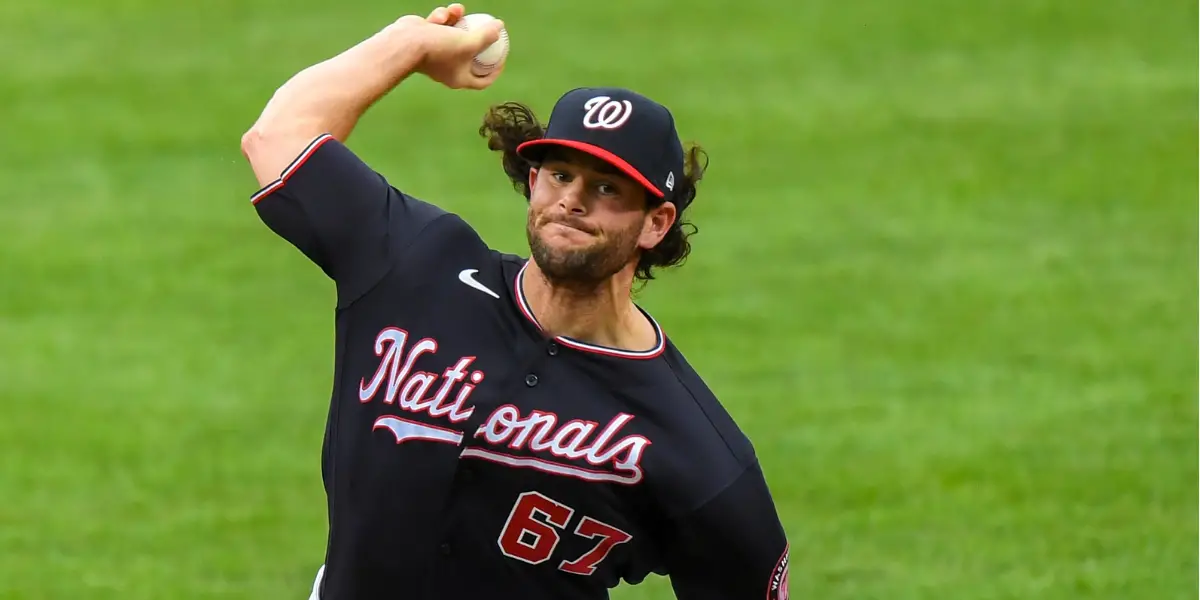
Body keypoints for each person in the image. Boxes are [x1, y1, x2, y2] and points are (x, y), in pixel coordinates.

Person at [240, 4, 790, 599]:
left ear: (657, 223)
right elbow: (278, 135)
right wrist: (410, 44)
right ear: (533, 183)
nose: (572, 200)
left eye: (606, 188)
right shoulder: (415, 264)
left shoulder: (690, 441)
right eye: (559, 175)